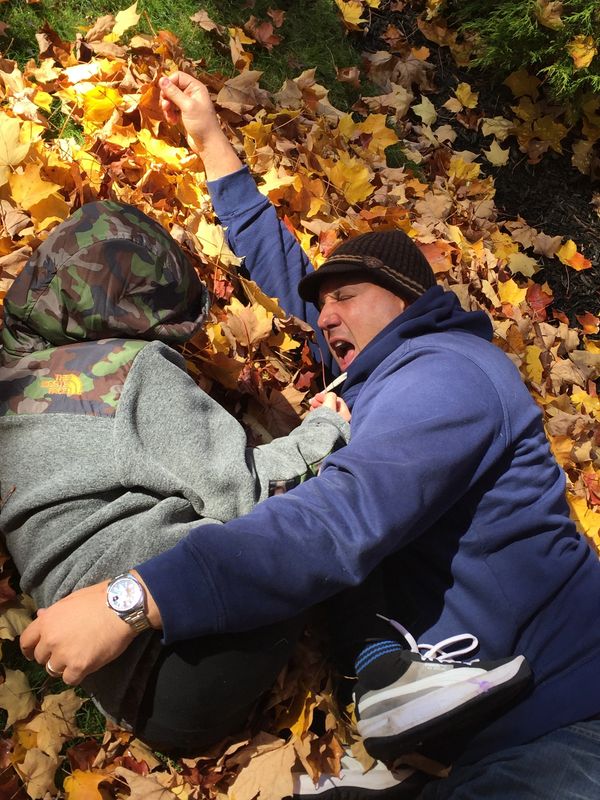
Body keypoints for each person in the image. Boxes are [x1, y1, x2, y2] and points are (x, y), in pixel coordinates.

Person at [19, 73, 600, 799]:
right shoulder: (374, 369)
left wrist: (130, 600)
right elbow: (278, 259)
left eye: (346, 298)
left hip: (569, 716)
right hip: (460, 735)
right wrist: (206, 134)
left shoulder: (449, 375)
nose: (323, 319)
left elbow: (340, 518)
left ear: (410, 302)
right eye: (321, 307)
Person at [0, 197, 352, 753]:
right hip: (187, 657)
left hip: (104, 675)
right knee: (334, 509)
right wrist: (321, 432)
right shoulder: (130, 370)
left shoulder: (13, 382)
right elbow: (245, 493)